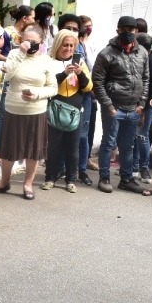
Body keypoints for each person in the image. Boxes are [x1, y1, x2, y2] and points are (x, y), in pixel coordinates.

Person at [0, 26, 56, 200]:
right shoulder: (13, 55)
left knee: (33, 150)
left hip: (36, 110)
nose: (29, 44)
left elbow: (53, 88)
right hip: (13, 109)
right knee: (9, 148)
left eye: (33, 41)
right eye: (26, 40)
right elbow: (7, 77)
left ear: (41, 42)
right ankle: (4, 182)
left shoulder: (46, 60)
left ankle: (28, 184)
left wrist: (37, 94)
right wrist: (20, 53)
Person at [93, 16, 151, 193]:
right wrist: (108, 106)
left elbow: (146, 78)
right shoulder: (106, 53)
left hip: (134, 107)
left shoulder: (142, 52)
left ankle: (126, 179)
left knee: (128, 146)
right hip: (114, 108)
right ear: (118, 30)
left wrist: (141, 104)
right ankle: (104, 178)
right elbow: (97, 81)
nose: (128, 33)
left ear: (136, 31)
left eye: (131, 29)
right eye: (124, 29)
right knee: (109, 143)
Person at [42, 29, 92, 193]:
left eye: (72, 46)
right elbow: (47, 85)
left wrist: (79, 74)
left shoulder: (80, 62)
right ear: (57, 45)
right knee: (53, 148)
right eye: (65, 45)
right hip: (56, 110)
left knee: (73, 148)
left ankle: (71, 179)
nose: (69, 49)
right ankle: (50, 177)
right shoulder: (48, 61)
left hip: (75, 112)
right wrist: (64, 73)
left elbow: (88, 87)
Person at [133, 24, 152, 184]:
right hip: (140, 103)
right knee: (136, 136)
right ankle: (135, 167)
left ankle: (144, 168)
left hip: (147, 104)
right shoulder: (144, 58)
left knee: (142, 136)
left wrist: (143, 108)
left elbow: (149, 87)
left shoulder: (151, 61)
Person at [78, 15, 99, 184]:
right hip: (79, 93)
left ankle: (84, 164)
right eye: (86, 26)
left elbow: (93, 68)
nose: (88, 29)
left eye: (90, 26)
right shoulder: (77, 46)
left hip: (89, 92)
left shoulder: (90, 44)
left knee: (86, 132)